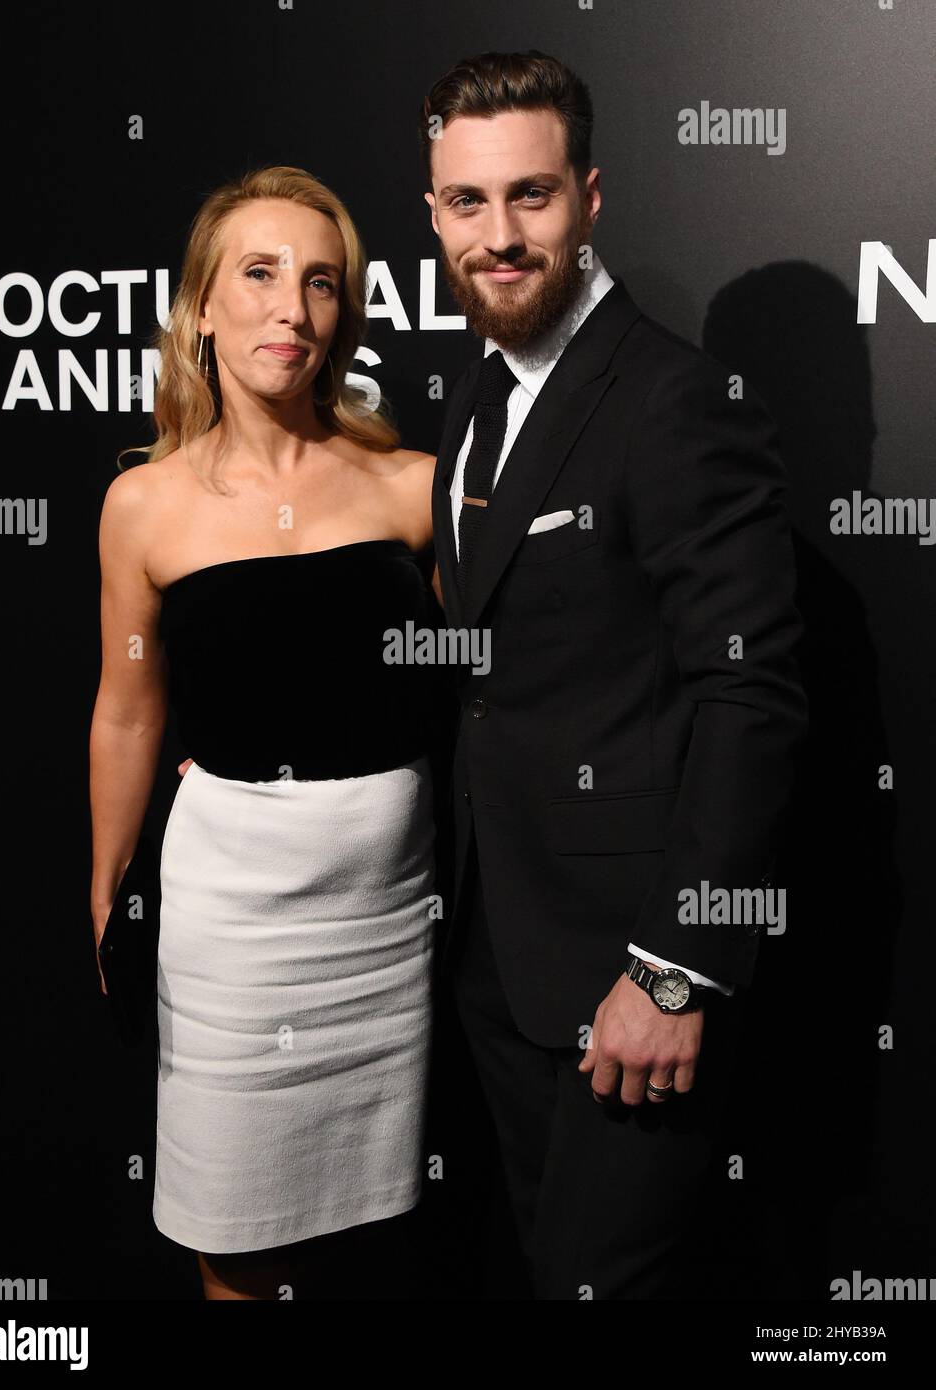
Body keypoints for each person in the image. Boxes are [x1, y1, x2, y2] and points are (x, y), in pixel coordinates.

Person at [419, 51, 808, 1298]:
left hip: (626, 978)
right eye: (468, 204)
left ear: (590, 199)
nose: (500, 236)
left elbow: (752, 693)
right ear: (432, 214)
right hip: (497, 958)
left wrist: (674, 967)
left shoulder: (671, 400)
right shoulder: (478, 393)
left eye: (530, 197)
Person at [88, 165, 448, 1299]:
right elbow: (128, 703)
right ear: (203, 305)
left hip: (390, 919)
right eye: (260, 273)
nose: (292, 307)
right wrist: (104, 887)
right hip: (230, 928)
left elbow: (488, 690)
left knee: (376, 1237)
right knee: (232, 1245)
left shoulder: (412, 488)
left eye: (322, 282)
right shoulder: (144, 503)